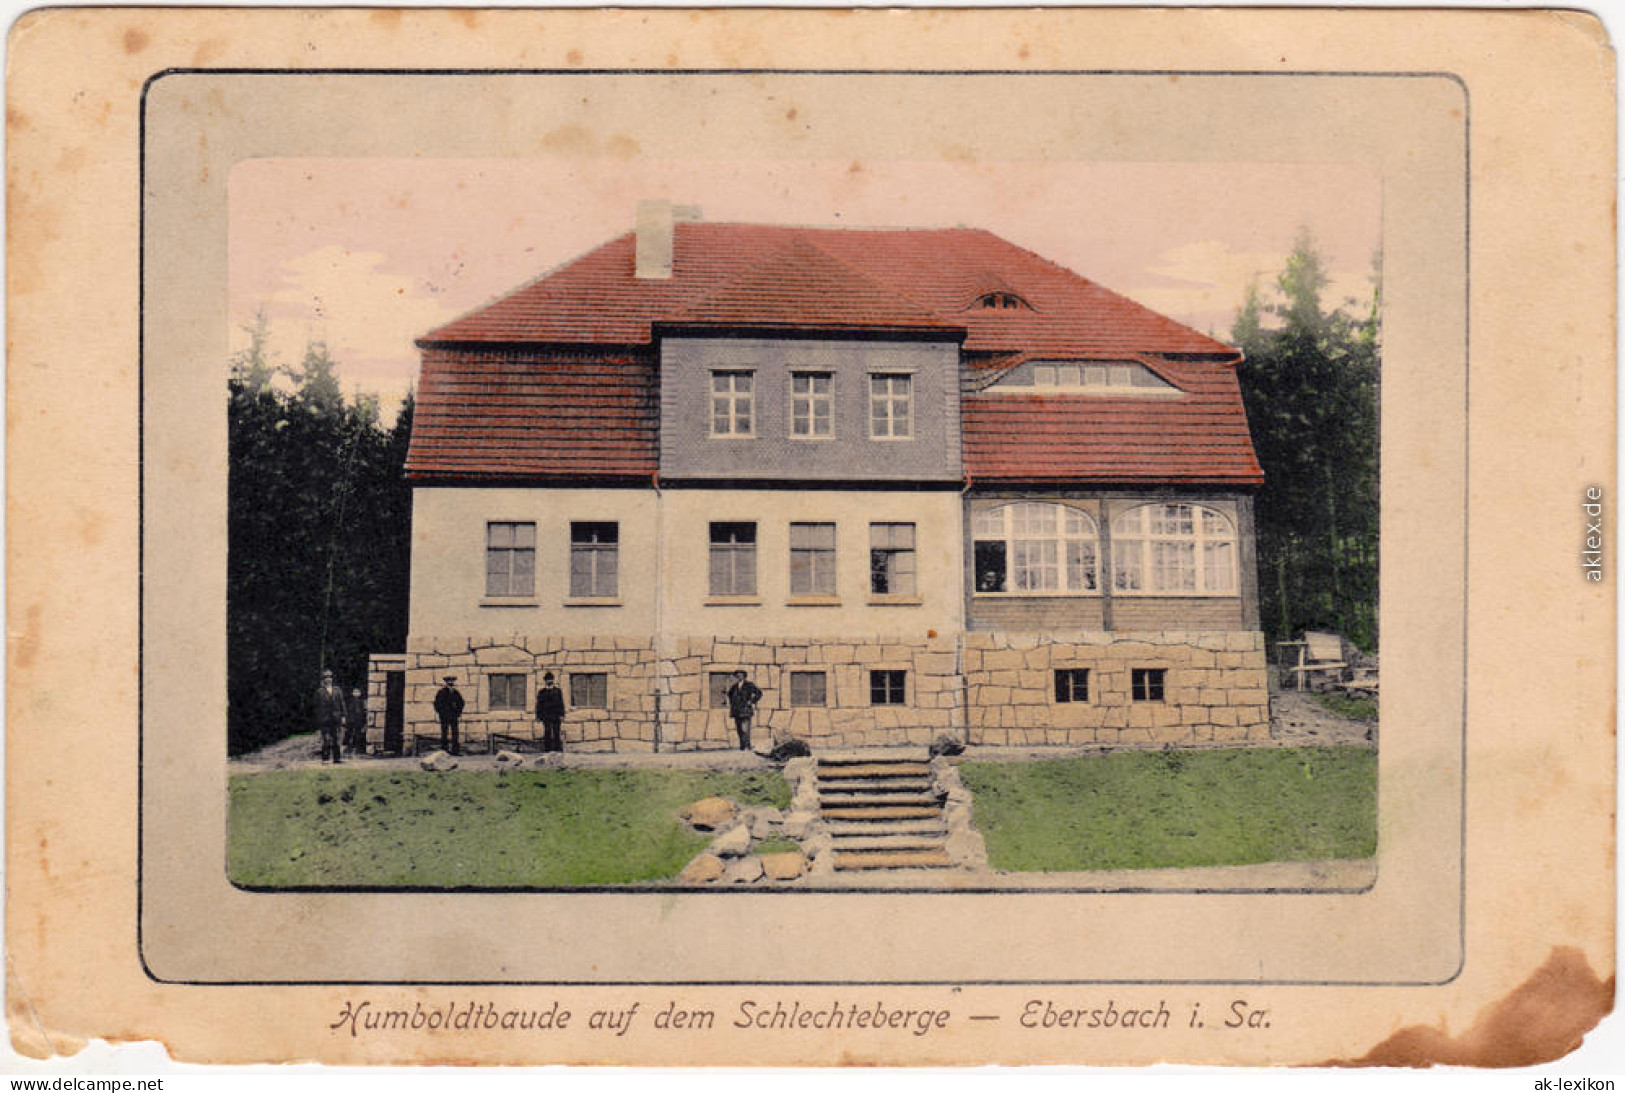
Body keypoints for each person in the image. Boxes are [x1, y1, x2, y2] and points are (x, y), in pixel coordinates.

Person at [315, 669, 348, 763]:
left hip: (336, 718)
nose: (328, 679)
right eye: (326, 677)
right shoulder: (320, 692)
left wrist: (343, 716)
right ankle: (325, 759)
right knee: (326, 739)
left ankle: (337, 759)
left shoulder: (338, 690)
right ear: (323, 680)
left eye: (330, 677)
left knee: (336, 738)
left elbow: (342, 704)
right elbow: (317, 707)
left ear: (332, 679)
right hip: (325, 719)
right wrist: (319, 720)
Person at [725, 669, 762, 752]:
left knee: (745, 729)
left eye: (740, 674)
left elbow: (759, 693)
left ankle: (747, 746)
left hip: (746, 710)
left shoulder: (749, 685)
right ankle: (742, 746)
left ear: (744, 676)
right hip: (736, 711)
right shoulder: (734, 686)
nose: (739, 676)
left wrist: (751, 701)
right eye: (737, 675)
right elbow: (729, 695)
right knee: (739, 729)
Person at [535, 671, 567, 753]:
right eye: (547, 680)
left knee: (556, 732)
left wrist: (562, 714)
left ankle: (558, 750)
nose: (549, 681)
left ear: (553, 680)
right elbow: (539, 704)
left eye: (550, 680)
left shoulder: (558, 691)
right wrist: (538, 716)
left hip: (556, 715)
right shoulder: (541, 692)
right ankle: (547, 750)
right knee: (547, 732)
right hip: (546, 716)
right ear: (545, 681)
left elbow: (561, 703)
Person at [433, 675, 465, 756]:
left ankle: (455, 751)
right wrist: (441, 713)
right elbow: (437, 704)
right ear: (446, 682)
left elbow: (461, 703)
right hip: (444, 716)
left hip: (454, 716)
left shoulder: (456, 692)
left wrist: (458, 712)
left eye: (452, 681)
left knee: (455, 733)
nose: (450, 683)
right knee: (444, 733)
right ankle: (444, 751)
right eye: (449, 681)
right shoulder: (441, 692)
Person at [344, 687, 367, 756]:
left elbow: (363, 712)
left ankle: (357, 748)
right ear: (352, 693)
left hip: (359, 720)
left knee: (358, 734)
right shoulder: (349, 702)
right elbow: (347, 711)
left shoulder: (361, 702)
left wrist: (363, 720)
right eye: (355, 692)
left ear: (360, 693)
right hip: (351, 720)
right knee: (349, 733)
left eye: (358, 692)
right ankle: (347, 748)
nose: (356, 693)